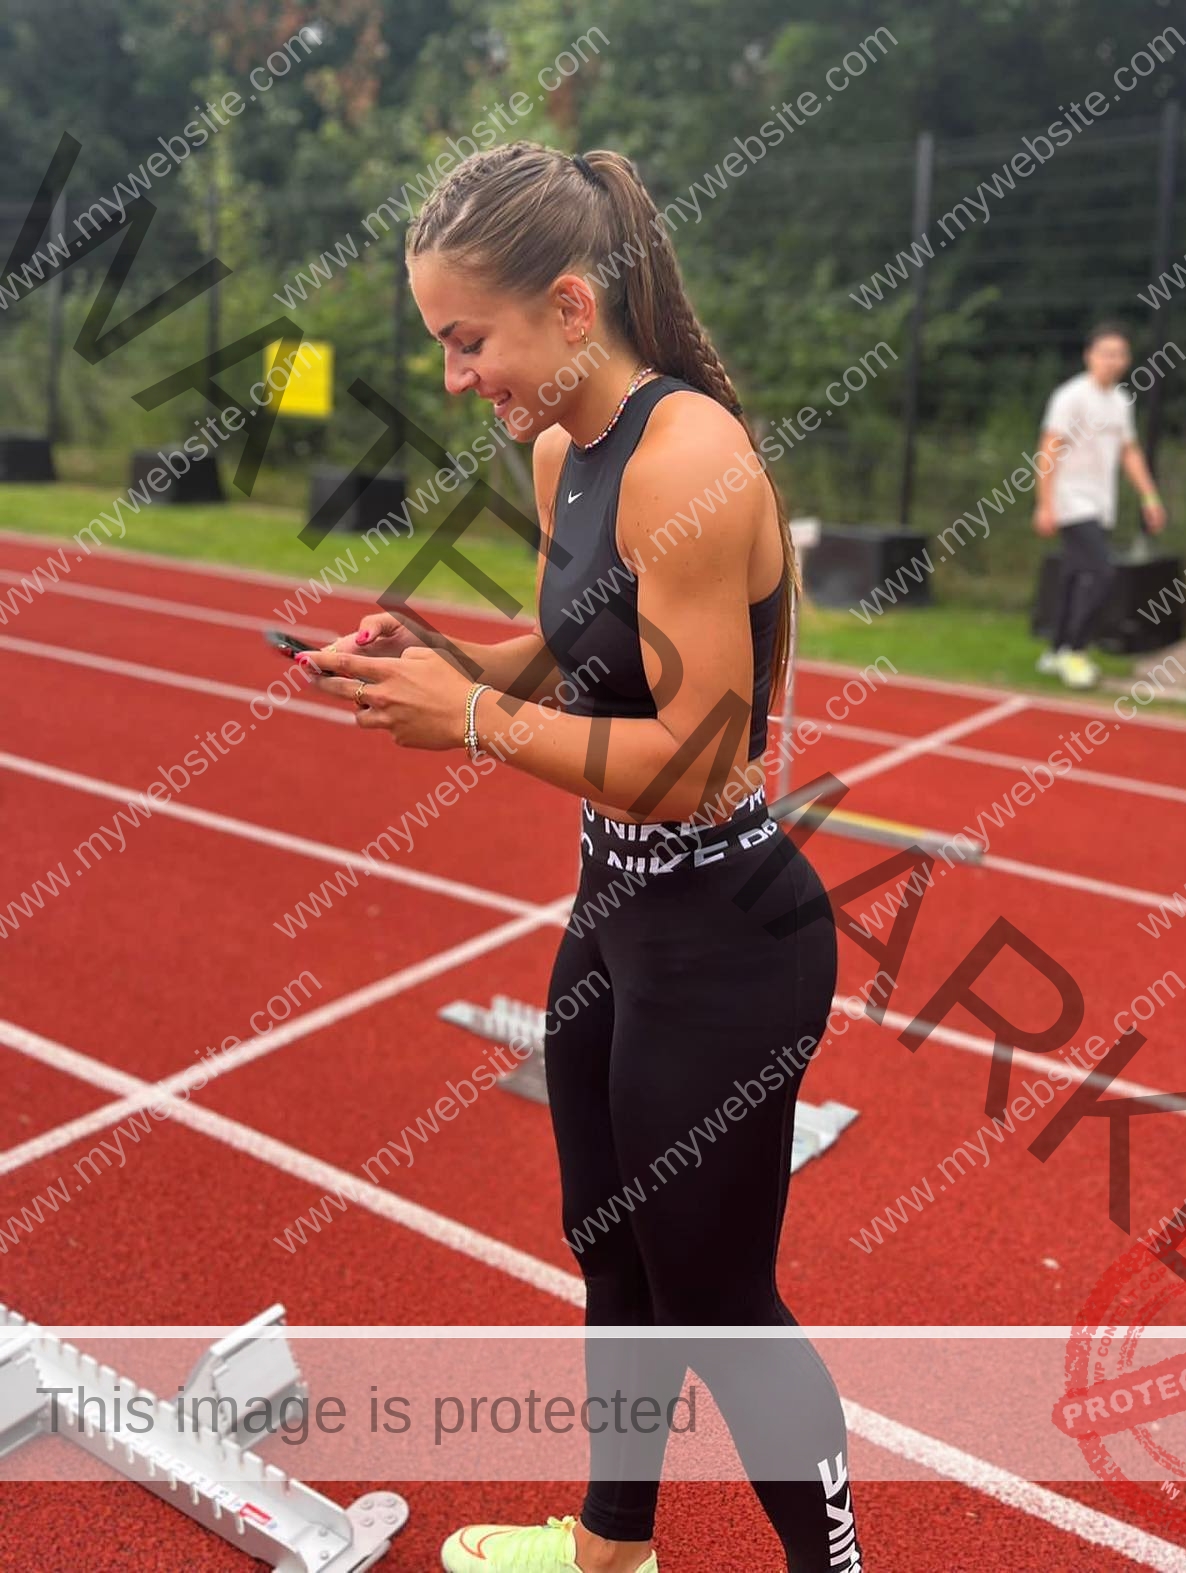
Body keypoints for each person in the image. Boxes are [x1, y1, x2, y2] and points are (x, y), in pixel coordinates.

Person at [299, 142, 863, 1573]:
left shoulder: (692, 458)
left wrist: (473, 722)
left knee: (719, 1296)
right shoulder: (565, 452)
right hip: (615, 915)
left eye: (463, 338)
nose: (452, 376)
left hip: (731, 939)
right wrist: (430, 661)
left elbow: (689, 759)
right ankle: (616, 1548)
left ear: (565, 305)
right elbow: (565, 659)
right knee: (609, 1244)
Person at [1033, 322, 1166, 689]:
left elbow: (1129, 451)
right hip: (1069, 501)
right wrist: (1044, 504)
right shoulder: (1070, 397)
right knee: (1102, 573)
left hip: (1100, 503)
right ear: (1089, 356)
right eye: (1106, 353)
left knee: (1076, 577)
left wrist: (1149, 496)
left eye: (1120, 354)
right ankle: (1075, 652)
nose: (1113, 361)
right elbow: (1048, 451)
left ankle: (1056, 650)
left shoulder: (1121, 402)